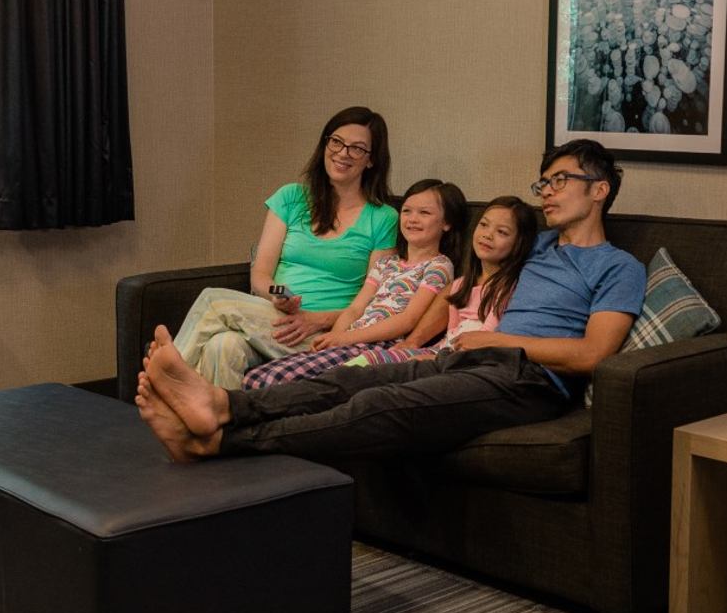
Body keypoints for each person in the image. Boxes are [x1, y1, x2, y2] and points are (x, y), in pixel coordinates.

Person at [135, 140, 645, 464]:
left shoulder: (618, 267)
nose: (547, 192)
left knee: (382, 405)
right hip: (467, 357)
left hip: (528, 381)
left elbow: (593, 355)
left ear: (599, 190)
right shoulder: (532, 244)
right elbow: (469, 260)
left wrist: (493, 339)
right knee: (349, 378)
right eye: (544, 182)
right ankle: (222, 404)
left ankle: (217, 443)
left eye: (561, 181)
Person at [171, 106, 396, 388]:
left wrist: (317, 320)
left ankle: (169, 380)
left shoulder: (383, 217)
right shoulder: (291, 197)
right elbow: (262, 275)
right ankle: (217, 431)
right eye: (336, 141)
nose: (342, 153)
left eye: (357, 148)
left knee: (214, 301)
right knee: (223, 345)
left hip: (326, 333)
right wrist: (282, 295)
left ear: (371, 160)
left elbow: (376, 298)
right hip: (276, 317)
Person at [240, 179, 465, 389]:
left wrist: (345, 338)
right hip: (349, 339)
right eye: (406, 211)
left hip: (378, 344)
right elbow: (356, 308)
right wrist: (332, 338)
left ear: (446, 223)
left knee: (274, 380)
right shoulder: (387, 263)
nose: (412, 219)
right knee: (257, 377)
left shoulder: (439, 266)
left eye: (424, 213)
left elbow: (408, 320)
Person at [359, 195, 538, 364]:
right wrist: (425, 353)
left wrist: (435, 358)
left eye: (502, 232)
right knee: (372, 360)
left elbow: (484, 338)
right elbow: (450, 334)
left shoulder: (508, 287)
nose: (487, 235)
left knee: (377, 363)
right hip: (443, 352)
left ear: (519, 243)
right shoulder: (460, 285)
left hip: (464, 361)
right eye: (484, 225)